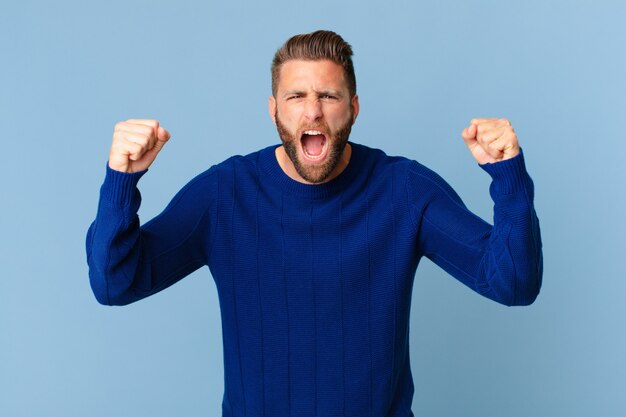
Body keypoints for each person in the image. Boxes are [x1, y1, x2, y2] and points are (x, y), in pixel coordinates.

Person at [86, 30, 542, 417]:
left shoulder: (406, 191)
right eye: (296, 96)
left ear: (354, 107)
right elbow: (115, 283)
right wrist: (121, 180)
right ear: (274, 109)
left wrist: (509, 178)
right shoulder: (224, 195)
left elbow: (513, 284)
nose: (313, 111)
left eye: (328, 95)